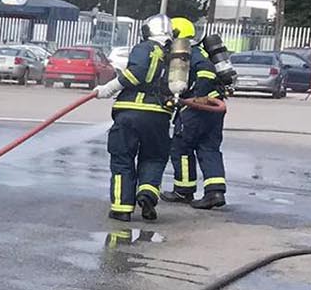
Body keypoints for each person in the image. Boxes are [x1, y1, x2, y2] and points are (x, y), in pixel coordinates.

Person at [96, 14, 175, 222]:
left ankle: (122, 208)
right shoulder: (176, 55)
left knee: (123, 160)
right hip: (159, 116)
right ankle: (147, 194)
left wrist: (108, 89)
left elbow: (136, 73)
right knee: (154, 158)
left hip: (130, 112)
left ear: (147, 31)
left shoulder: (145, 48)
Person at [165, 23, 228, 211]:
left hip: (196, 109)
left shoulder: (190, 54)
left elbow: (206, 72)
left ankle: (183, 190)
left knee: (181, 146)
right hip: (214, 109)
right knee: (209, 148)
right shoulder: (200, 51)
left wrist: (196, 97)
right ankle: (215, 192)